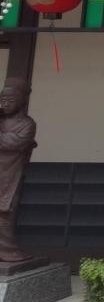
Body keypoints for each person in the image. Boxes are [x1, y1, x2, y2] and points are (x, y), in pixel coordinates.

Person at [0, 83, 37, 263]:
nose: (5, 104)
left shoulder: (27, 124)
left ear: (21, 101)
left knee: (7, 211)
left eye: (10, 100)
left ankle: (7, 250)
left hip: (11, 172)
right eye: (3, 100)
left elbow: (17, 142)